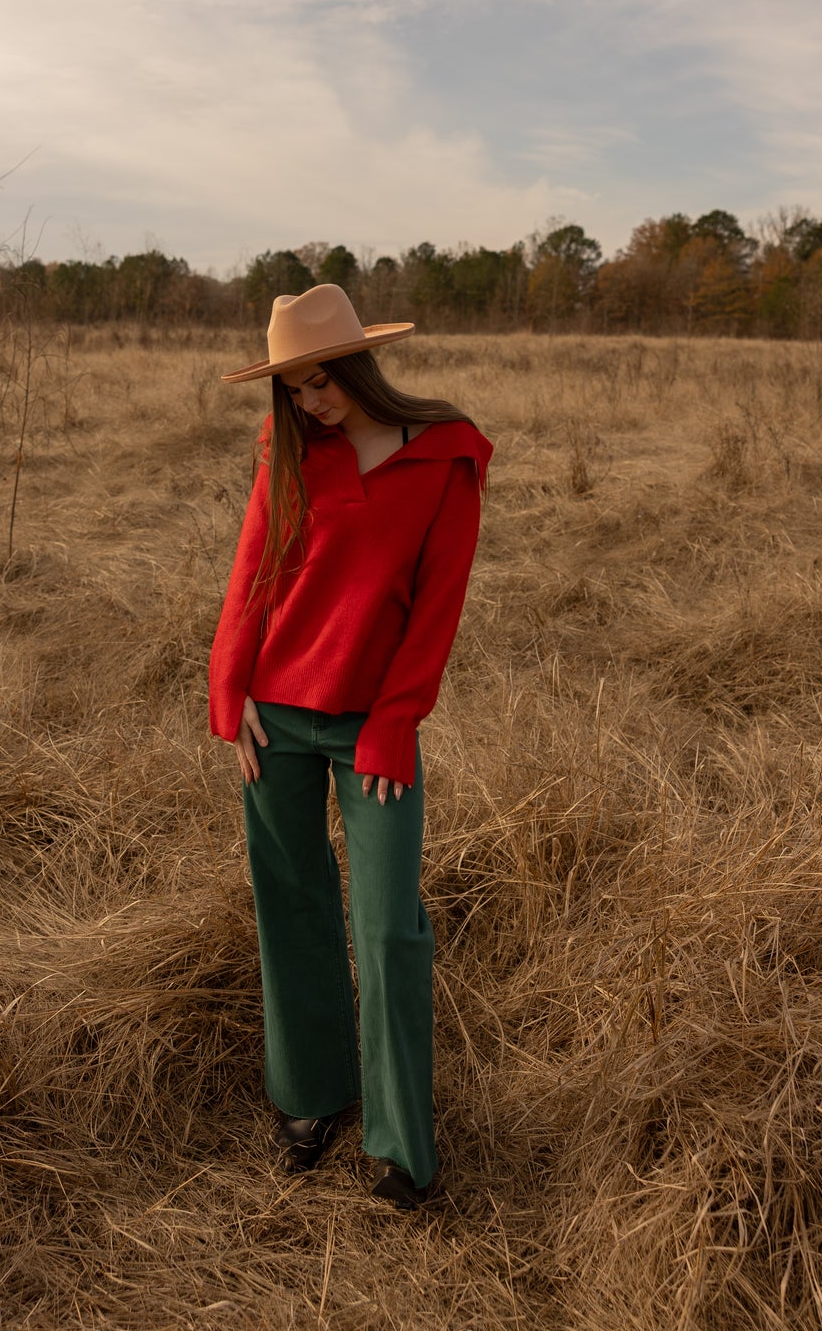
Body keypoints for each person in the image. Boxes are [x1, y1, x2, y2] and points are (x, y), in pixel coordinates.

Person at [209, 283, 492, 1211]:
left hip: (376, 722)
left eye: (321, 383)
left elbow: (437, 608)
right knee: (289, 905)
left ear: (361, 367)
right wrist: (231, 688)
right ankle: (309, 1097)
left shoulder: (445, 454)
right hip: (277, 716)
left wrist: (394, 720)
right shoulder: (286, 447)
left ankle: (405, 1145)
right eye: (292, 388)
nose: (309, 403)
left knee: (388, 926)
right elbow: (255, 568)